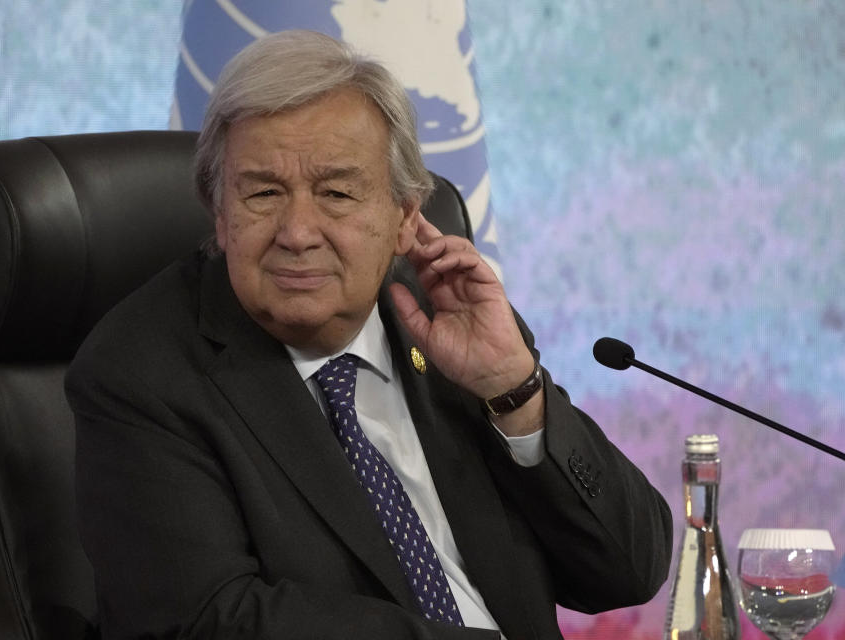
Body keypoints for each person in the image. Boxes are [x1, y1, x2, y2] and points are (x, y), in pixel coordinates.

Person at [66, 29, 672, 640]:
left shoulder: (447, 317)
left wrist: (515, 394)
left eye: (336, 193)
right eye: (264, 193)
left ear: (406, 215)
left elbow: (628, 571)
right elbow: (205, 621)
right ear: (219, 213)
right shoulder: (142, 371)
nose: (298, 231)